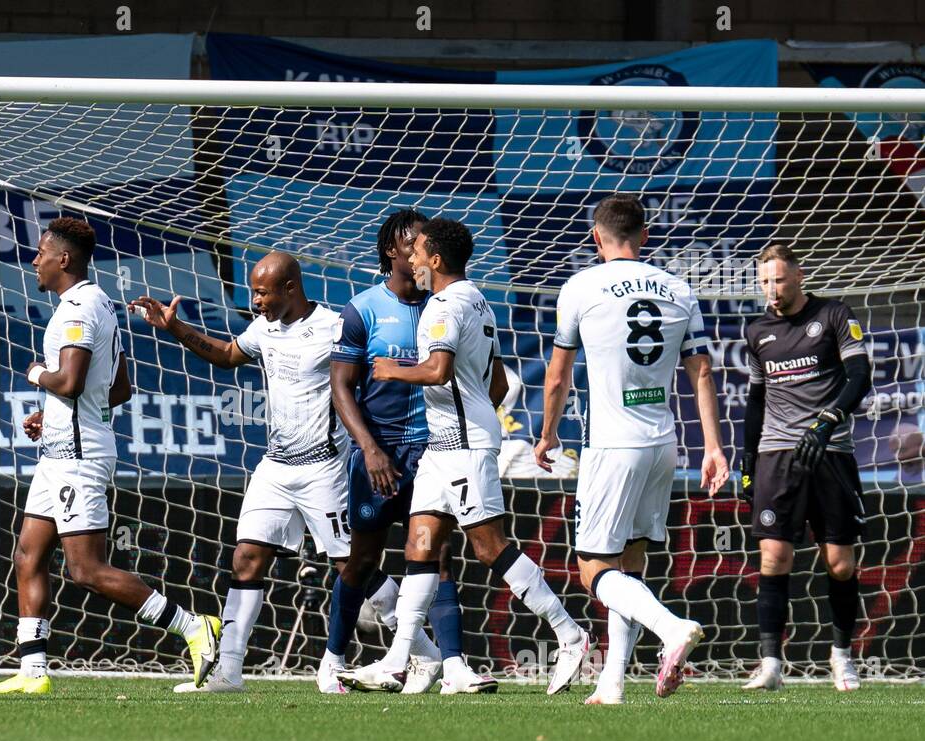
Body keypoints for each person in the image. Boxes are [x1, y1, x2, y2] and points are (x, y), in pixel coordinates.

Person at [340, 217, 590, 695]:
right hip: (446, 445)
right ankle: (398, 659)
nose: (410, 259)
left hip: (463, 447)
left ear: (435, 260)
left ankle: (569, 633)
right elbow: (497, 384)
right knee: (420, 546)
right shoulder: (477, 299)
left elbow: (436, 371)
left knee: (488, 547)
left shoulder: (440, 308)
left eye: (417, 253)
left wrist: (393, 370)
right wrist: (472, 416)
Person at [0, 217, 220, 695]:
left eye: (41, 254)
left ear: (63, 259)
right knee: (28, 554)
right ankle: (32, 672)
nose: (34, 261)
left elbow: (67, 381)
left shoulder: (77, 310)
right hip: (60, 448)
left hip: (78, 455)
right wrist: (51, 415)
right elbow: (119, 388)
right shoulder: (101, 304)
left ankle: (194, 627)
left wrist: (34, 374)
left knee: (85, 569)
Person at [536, 194, 729, 705]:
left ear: (596, 238)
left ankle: (671, 628)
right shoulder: (678, 288)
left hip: (611, 445)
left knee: (594, 569)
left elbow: (556, 376)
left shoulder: (581, 286)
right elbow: (702, 370)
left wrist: (547, 433)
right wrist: (713, 446)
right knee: (631, 563)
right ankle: (613, 681)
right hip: (662, 444)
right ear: (645, 236)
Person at [138, 252, 353, 693]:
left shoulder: (334, 328)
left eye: (261, 291)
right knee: (246, 559)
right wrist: (175, 327)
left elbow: (359, 384)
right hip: (275, 466)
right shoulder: (264, 328)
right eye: (253, 291)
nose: (255, 300)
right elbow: (228, 354)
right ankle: (228, 671)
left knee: (352, 566)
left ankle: (418, 651)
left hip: (324, 467)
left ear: (290, 287)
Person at [739, 243, 873, 692]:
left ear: (798, 275)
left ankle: (841, 658)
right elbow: (756, 401)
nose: (771, 291)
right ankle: (771, 664)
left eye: (777, 280)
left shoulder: (834, 315)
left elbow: (860, 375)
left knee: (839, 563)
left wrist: (828, 420)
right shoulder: (757, 331)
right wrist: (746, 461)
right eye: (763, 283)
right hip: (778, 456)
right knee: (774, 557)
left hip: (830, 450)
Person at [323, 208, 446, 695]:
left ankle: (446, 664)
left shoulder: (445, 305)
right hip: (381, 454)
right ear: (393, 250)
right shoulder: (363, 309)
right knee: (361, 561)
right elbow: (341, 387)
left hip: (434, 451)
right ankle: (332, 659)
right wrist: (370, 450)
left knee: (435, 556)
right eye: (415, 242)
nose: (422, 251)